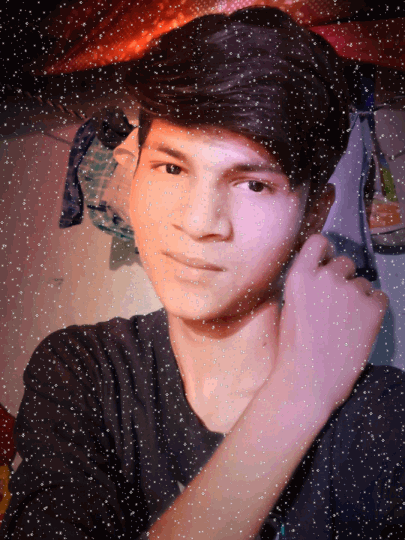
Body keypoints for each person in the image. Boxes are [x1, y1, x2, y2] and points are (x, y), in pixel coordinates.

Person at [1, 6, 404, 540]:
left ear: (313, 212)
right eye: (172, 167)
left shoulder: (386, 417)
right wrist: (297, 396)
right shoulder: (83, 372)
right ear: (136, 170)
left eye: (253, 184)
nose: (199, 222)